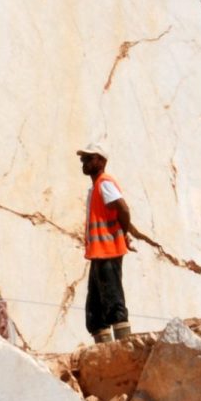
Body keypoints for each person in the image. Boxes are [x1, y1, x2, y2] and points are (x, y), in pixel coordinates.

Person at [78, 144, 132, 344]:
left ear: (100, 161)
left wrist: (123, 235)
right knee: (95, 308)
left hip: (108, 251)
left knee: (112, 299)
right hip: (99, 252)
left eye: (88, 158)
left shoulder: (104, 183)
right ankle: (104, 348)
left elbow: (123, 209)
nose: (84, 163)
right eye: (83, 159)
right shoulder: (96, 187)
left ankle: (123, 347)